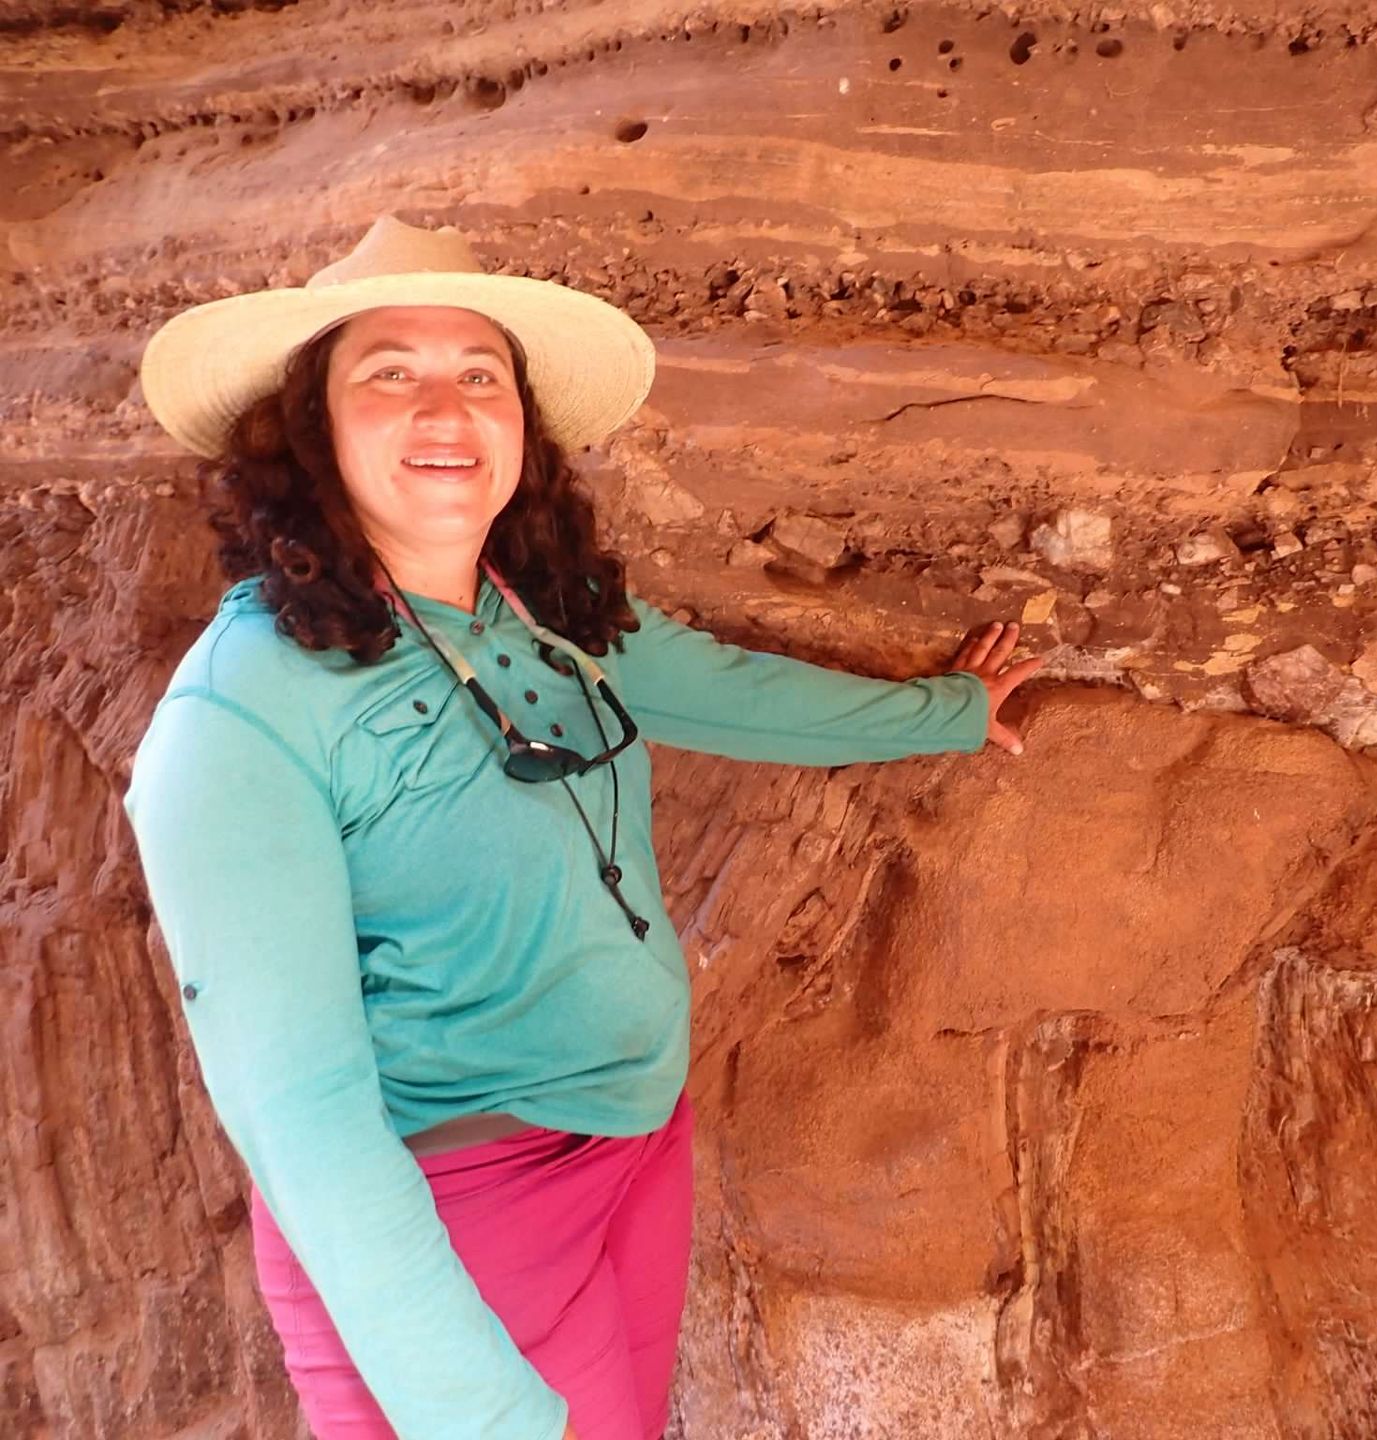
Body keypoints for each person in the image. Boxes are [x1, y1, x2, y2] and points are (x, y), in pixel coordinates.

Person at [120, 214, 1048, 1439]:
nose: (443, 412)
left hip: (632, 1139)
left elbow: (725, 689)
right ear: (314, 432)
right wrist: (473, 1410)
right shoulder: (243, 710)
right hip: (458, 1209)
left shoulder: (533, 606)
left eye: (478, 375)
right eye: (387, 373)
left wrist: (944, 716)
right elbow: (299, 1110)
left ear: (521, 425)